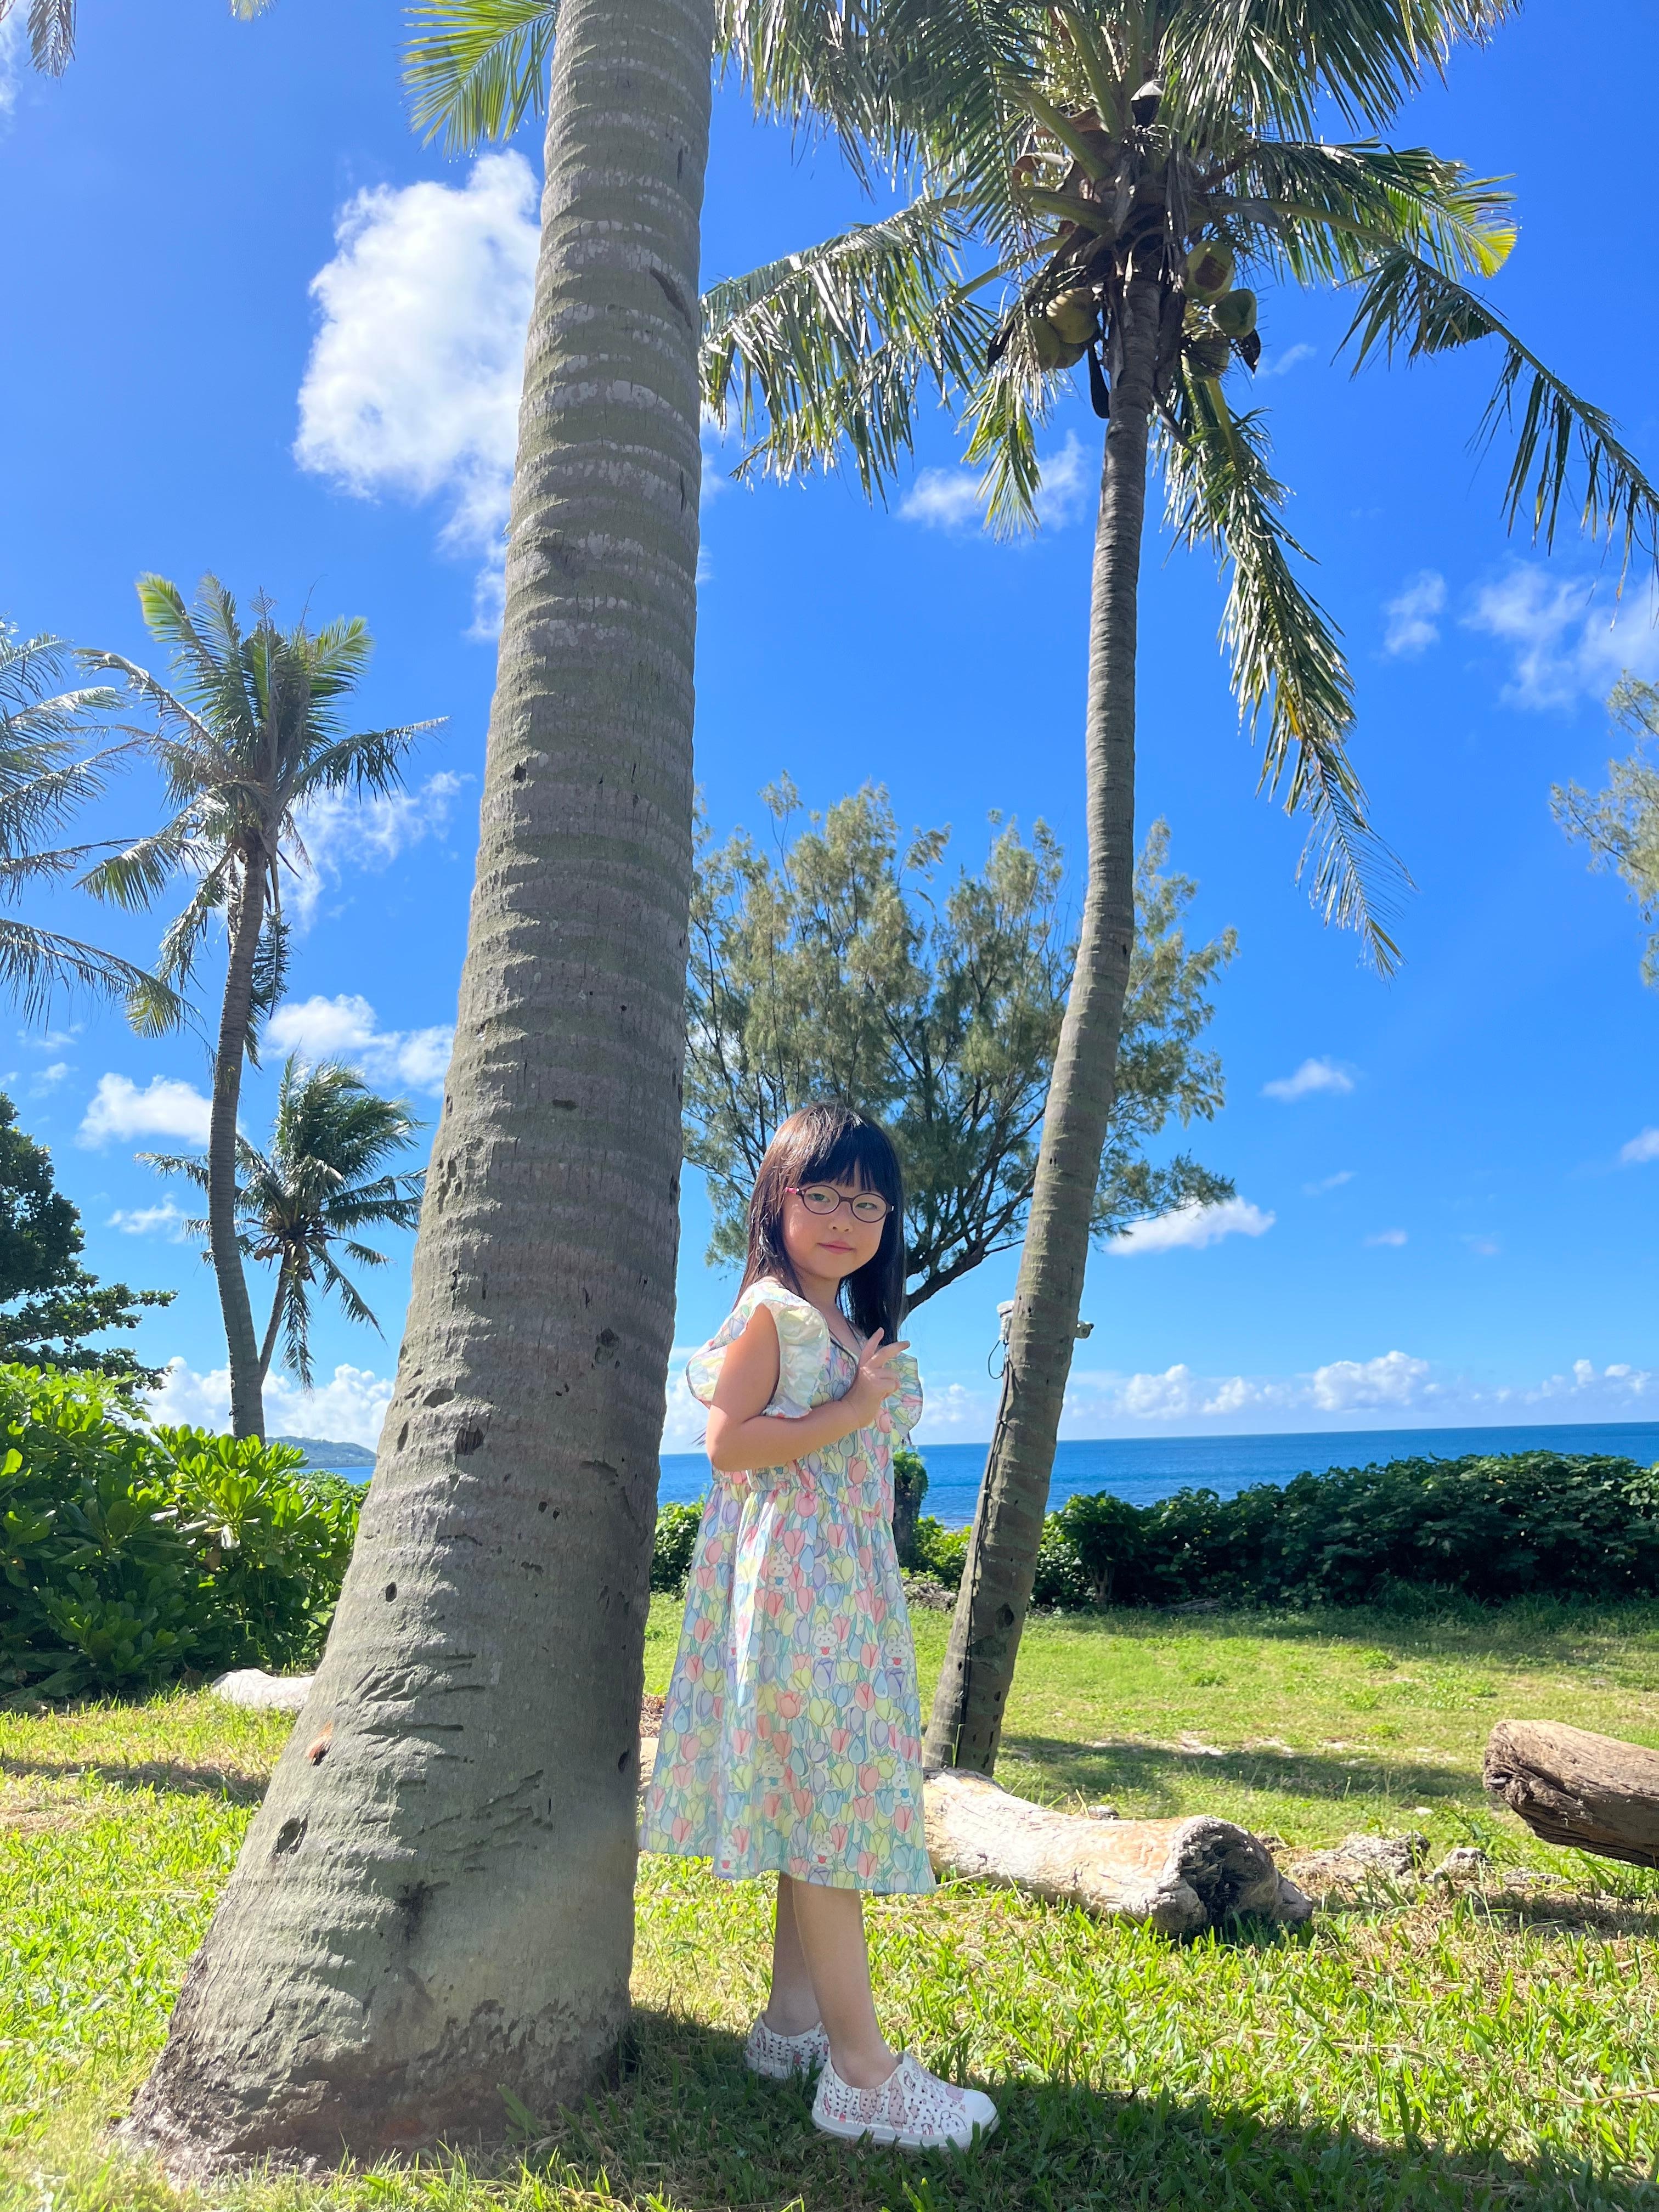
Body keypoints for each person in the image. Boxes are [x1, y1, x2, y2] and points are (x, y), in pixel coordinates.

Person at [639, 1103, 998, 2151]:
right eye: (826, 1195)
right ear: (778, 1201)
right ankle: (862, 2076)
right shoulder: (775, 1314)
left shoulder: (844, 1324)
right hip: (796, 1591)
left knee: (816, 1803)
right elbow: (727, 1446)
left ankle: (791, 2026)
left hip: (840, 1587)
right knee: (829, 1810)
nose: (847, 1219)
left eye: (869, 1205)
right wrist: (848, 1412)